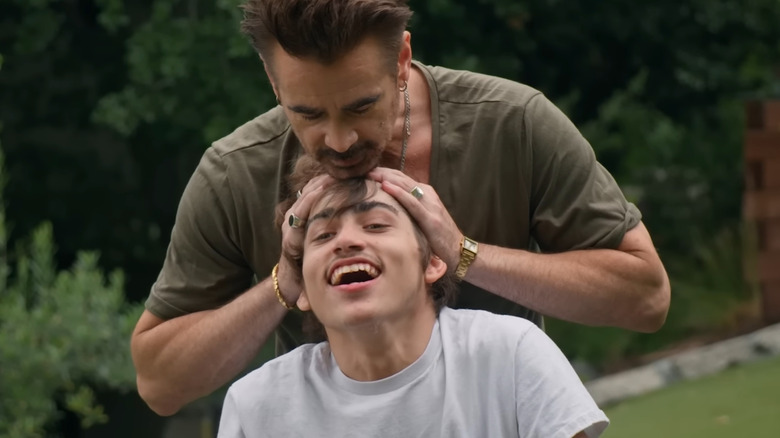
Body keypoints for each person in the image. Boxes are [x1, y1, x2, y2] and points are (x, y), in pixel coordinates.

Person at [131, 0, 671, 416]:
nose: (339, 140)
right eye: (308, 113)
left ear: (402, 59)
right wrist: (282, 284)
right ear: (273, 83)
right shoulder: (233, 173)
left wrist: (464, 254)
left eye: (362, 106)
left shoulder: (514, 123)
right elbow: (159, 383)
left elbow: (645, 297)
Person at [217, 171, 609, 438]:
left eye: (375, 225)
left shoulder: (510, 352)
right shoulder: (257, 408)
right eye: (322, 235)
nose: (346, 242)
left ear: (434, 262)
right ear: (300, 289)